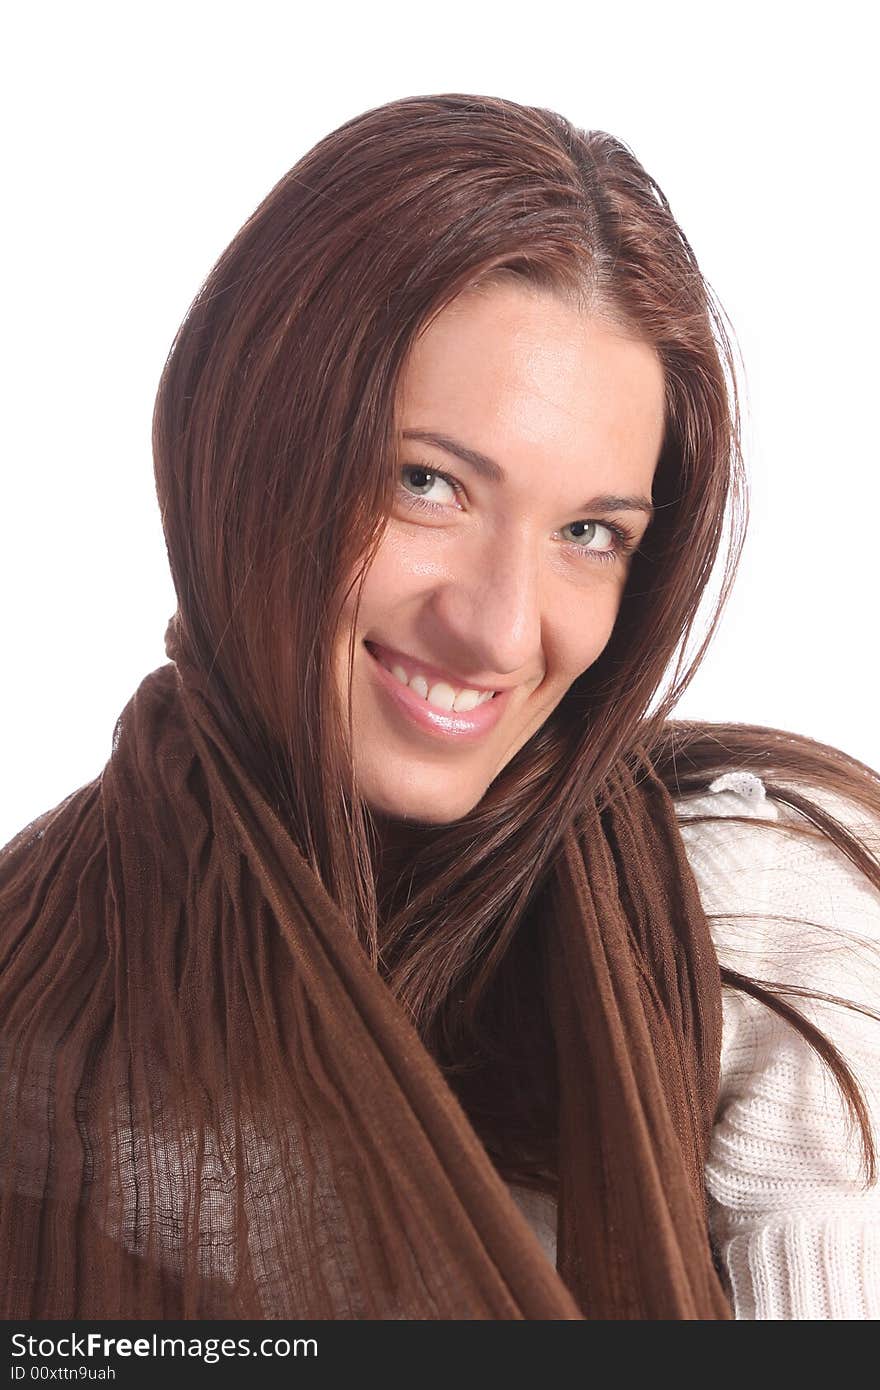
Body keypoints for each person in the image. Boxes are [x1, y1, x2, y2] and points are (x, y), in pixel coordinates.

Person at [1, 92, 878, 1322]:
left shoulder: (760, 923)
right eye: (427, 484)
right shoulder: (36, 991)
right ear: (246, 454)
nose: (501, 629)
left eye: (589, 533)